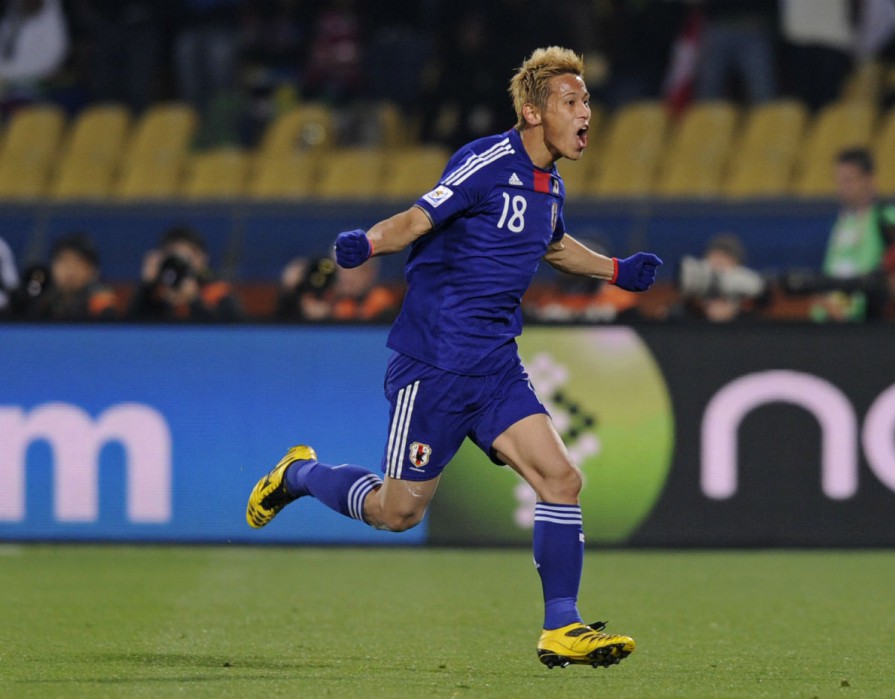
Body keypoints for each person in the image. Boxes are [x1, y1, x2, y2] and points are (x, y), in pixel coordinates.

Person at [246, 46, 662, 669]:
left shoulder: (551, 184)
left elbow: (551, 245)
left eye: (588, 103)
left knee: (561, 479)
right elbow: (418, 217)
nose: (586, 114)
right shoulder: (486, 161)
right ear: (531, 111)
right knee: (397, 511)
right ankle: (300, 474)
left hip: (494, 364)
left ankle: (562, 626)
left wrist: (616, 269)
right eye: (571, 102)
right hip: (434, 363)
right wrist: (366, 243)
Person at [812, 147, 895, 322]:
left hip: (869, 321)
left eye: (848, 180)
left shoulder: (887, 217)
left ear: (869, 180)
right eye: (839, 180)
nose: (841, 187)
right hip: (831, 319)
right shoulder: (840, 223)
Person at [127, 225, 244, 321]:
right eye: (174, 255)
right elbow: (128, 329)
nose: (180, 265)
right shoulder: (155, 293)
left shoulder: (217, 292)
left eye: (188, 256)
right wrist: (147, 287)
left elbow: (232, 333)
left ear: (202, 258)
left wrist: (194, 301)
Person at [275, 254, 400, 322]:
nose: (347, 277)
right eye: (342, 269)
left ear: (371, 273)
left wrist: (328, 319)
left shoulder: (383, 304)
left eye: (357, 269)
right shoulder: (321, 298)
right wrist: (290, 292)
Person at [22, 232, 118, 320]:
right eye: (64, 261)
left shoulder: (101, 304)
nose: (70, 269)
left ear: (92, 271)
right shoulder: (41, 301)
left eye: (78, 262)